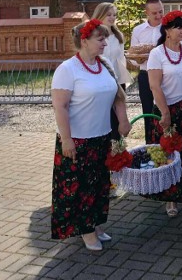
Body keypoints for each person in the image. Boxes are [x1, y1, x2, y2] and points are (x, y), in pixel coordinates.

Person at [50, 19, 131, 250]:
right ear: (84, 41)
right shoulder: (67, 69)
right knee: (81, 187)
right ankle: (85, 230)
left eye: (105, 38)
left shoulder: (104, 64)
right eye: (100, 38)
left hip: (102, 137)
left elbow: (117, 96)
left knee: (99, 186)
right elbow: (61, 107)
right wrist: (66, 139)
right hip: (78, 140)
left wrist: (123, 120)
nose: (105, 42)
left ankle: (95, 224)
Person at [146, 10, 182, 217]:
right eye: (177, 27)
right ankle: (170, 198)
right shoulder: (157, 53)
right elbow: (155, 86)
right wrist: (165, 113)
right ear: (167, 31)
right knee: (170, 154)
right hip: (166, 109)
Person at [92, 2, 132, 140]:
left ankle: (117, 148)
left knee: (117, 118)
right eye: (108, 14)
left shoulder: (118, 35)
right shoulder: (92, 35)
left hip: (116, 80)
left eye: (114, 15)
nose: (112, 18)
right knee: (103, 116)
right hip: (98, 80)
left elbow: (121, 59)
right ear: (100, 14)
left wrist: (122, 83)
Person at [130, 0, 163, 141]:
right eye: (154, 13)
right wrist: (138, 59)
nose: (158, 16)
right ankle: (150, 144)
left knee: (165, 110)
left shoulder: (168, 28)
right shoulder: (138, 31)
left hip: (165, 75)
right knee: (148, 110)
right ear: (147, 13)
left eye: (161, 12)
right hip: (145, 75)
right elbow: (132, 56)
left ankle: (168, 142)